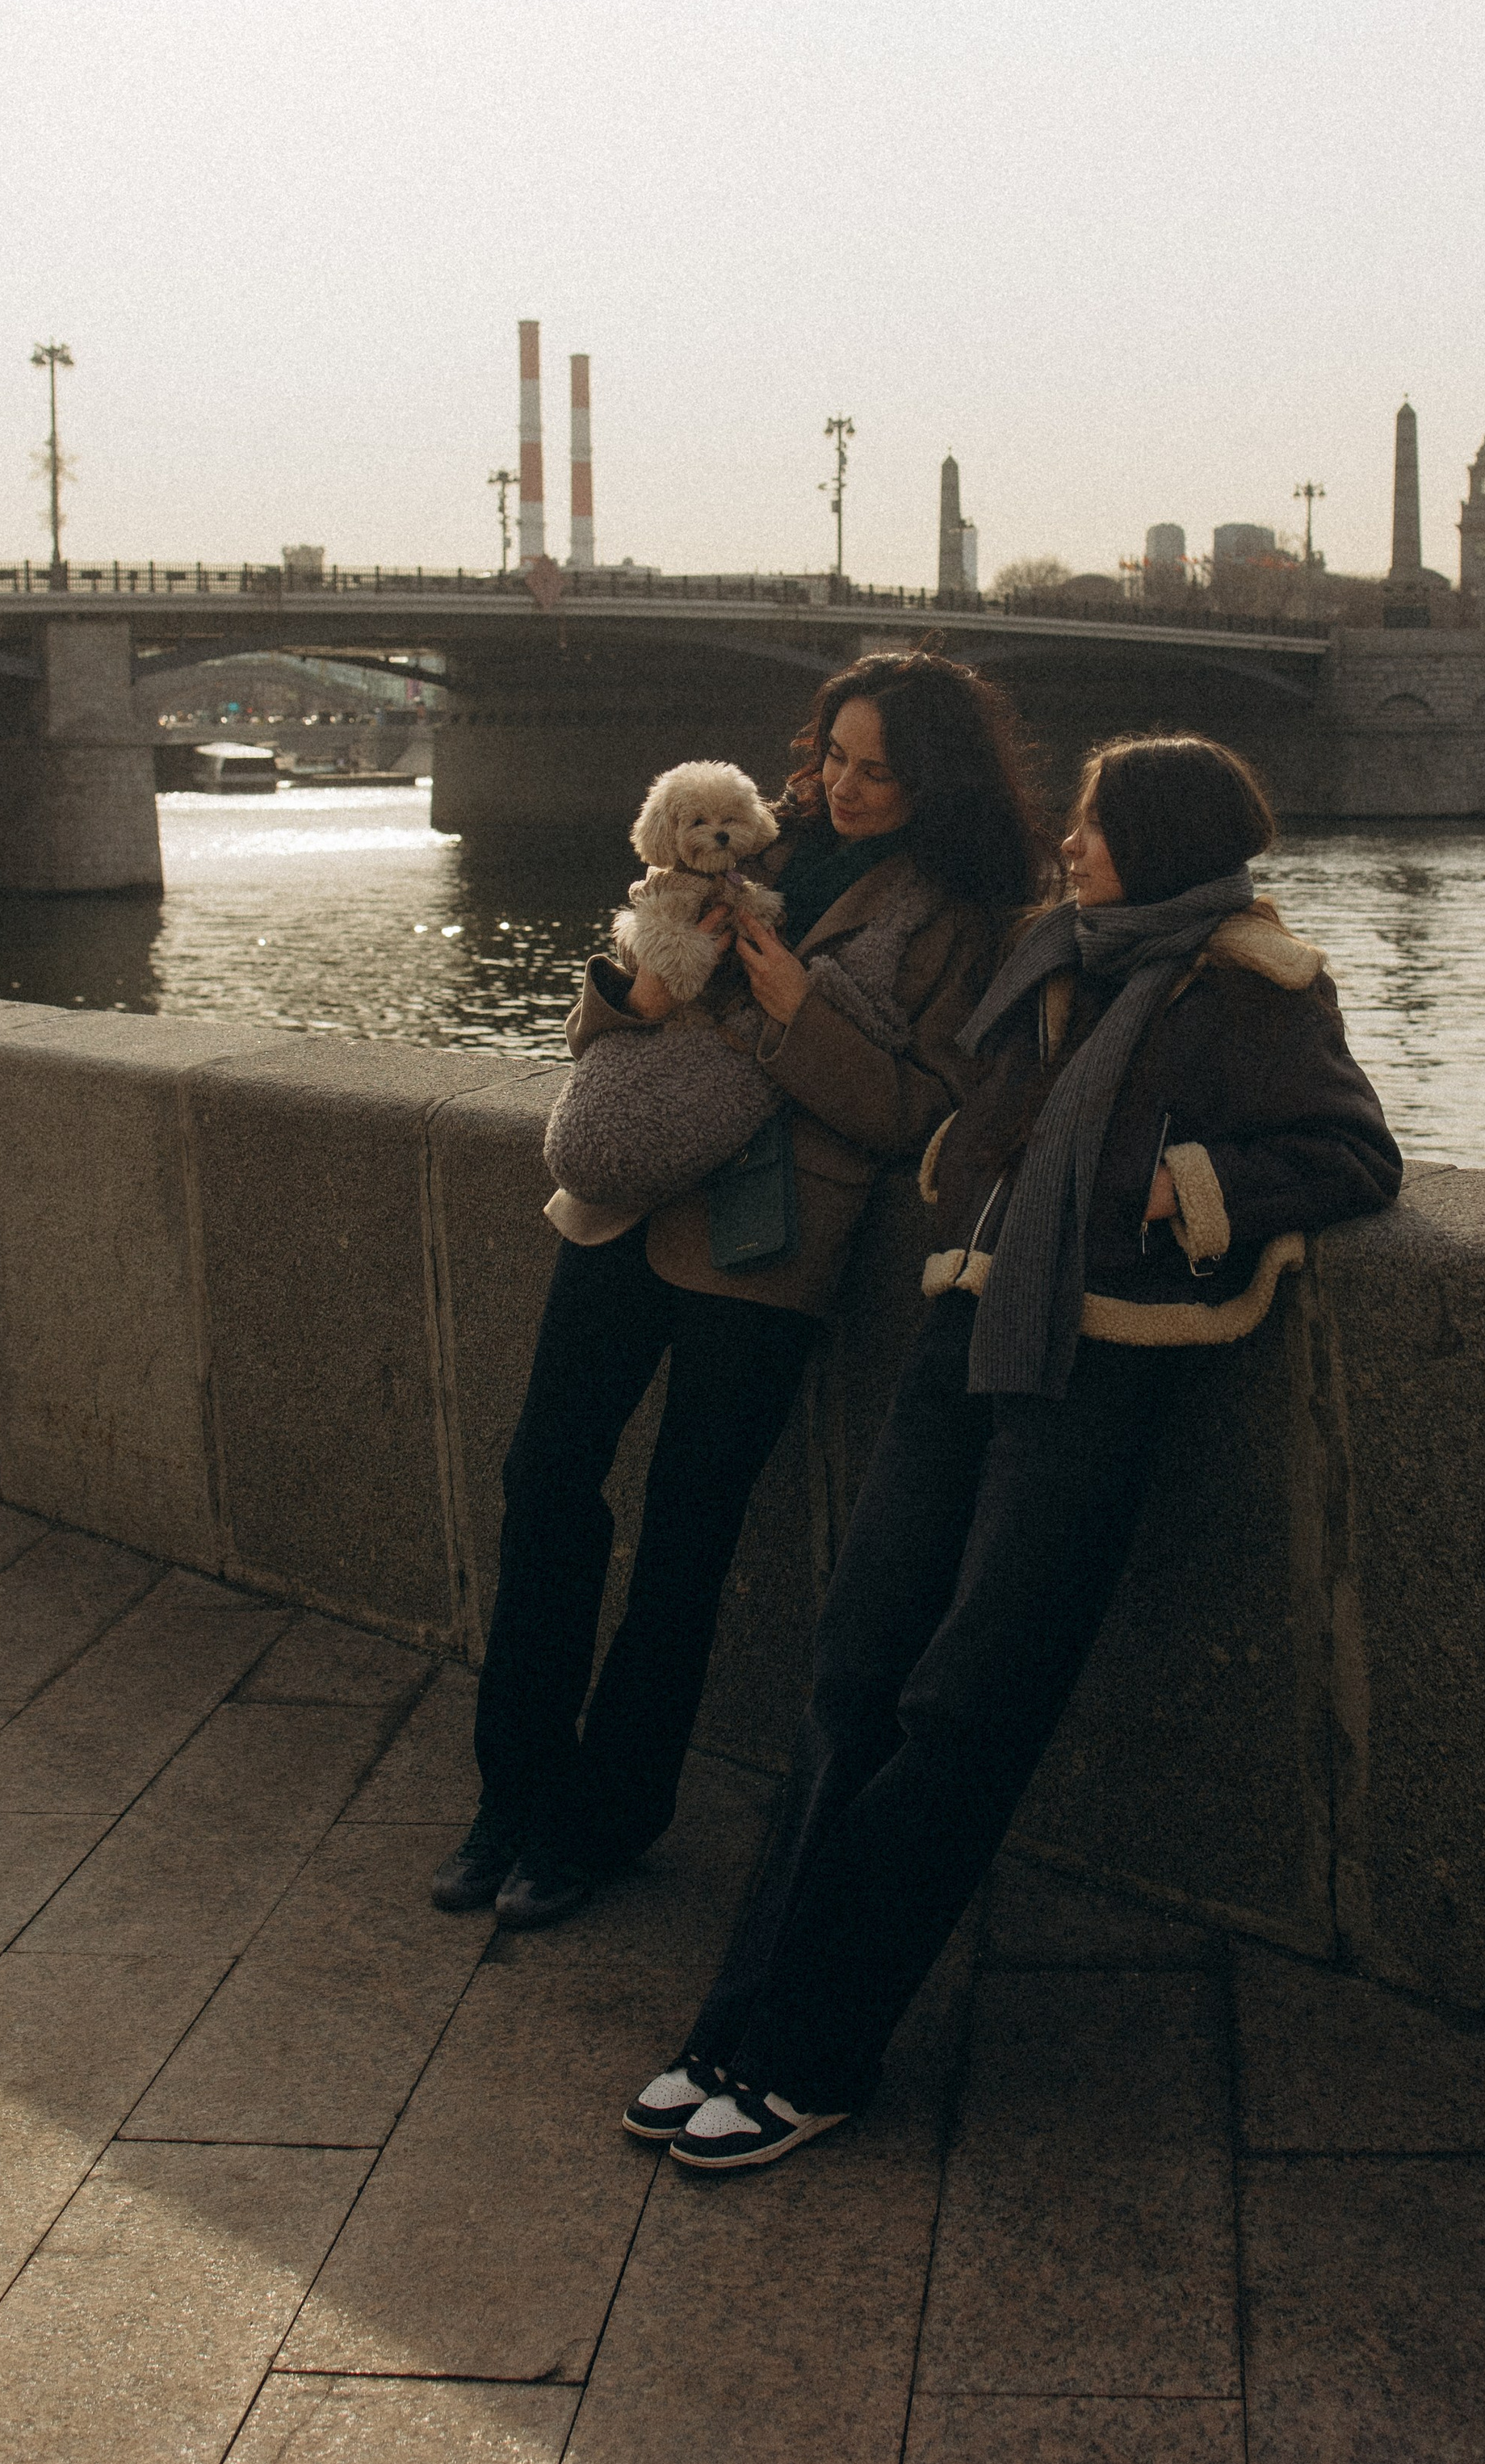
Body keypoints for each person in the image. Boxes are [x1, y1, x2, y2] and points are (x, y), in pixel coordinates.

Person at [624, 731, 1402, 2168]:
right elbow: (994, 1111)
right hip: (969, 1332)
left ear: (1159, 838)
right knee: (856, 1672)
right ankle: (734, 2022)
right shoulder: (1070, 950)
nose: (1072, 843)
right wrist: (963, 1180)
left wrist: (1200, 1183)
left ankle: (813, 2054)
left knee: (964, 1707)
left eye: (1097, 824)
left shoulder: (1256, 985)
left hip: (1105, 1362)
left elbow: (1356, 1154)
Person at [432, 652, 1052, 1927]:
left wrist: (789, 1008)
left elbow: (912, 1116)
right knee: (544, 1478)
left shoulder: (965, 915)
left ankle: (603, 1819)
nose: (845, 785)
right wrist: (626, 990)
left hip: (768, 1247)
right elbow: (597, 1031)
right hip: (624, 1200)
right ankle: (513, 1791)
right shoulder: (729, 849)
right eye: (833, 754)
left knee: (685, 1538)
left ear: (935, 777)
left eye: (879, 769)